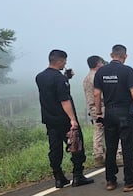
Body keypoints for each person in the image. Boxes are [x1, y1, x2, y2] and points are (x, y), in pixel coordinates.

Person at [35, 49, 94, 188]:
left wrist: (65, 79)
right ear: (60, 61)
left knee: (55, 148)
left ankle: (59, 177)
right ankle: (78, 175)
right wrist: (72, 119)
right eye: (64, 61)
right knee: (76, 145)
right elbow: (64, 99)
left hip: (49, 119)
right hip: (64, 119)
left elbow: (52, 90)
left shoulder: (40, 77)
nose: (65, 64)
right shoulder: (59, 78)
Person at [93, 44, 133, 192]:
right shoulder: (127, 71)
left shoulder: (101, 71)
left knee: (111, 148)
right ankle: (130, 181)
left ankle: (110, 181)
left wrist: (98, 113)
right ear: (125, 56)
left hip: (109, 113)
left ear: (111, 55)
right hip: (125, 113)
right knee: (128, 147)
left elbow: (97, 94)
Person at [83, 55, 123, 168]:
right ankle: (118, 156)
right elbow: (98, 94)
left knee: (98, 132)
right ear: (98, 63)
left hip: (92, 108)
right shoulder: (98, 76)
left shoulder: (86, 78)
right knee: (114, 131)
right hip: (102, 107)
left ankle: (98, 156)